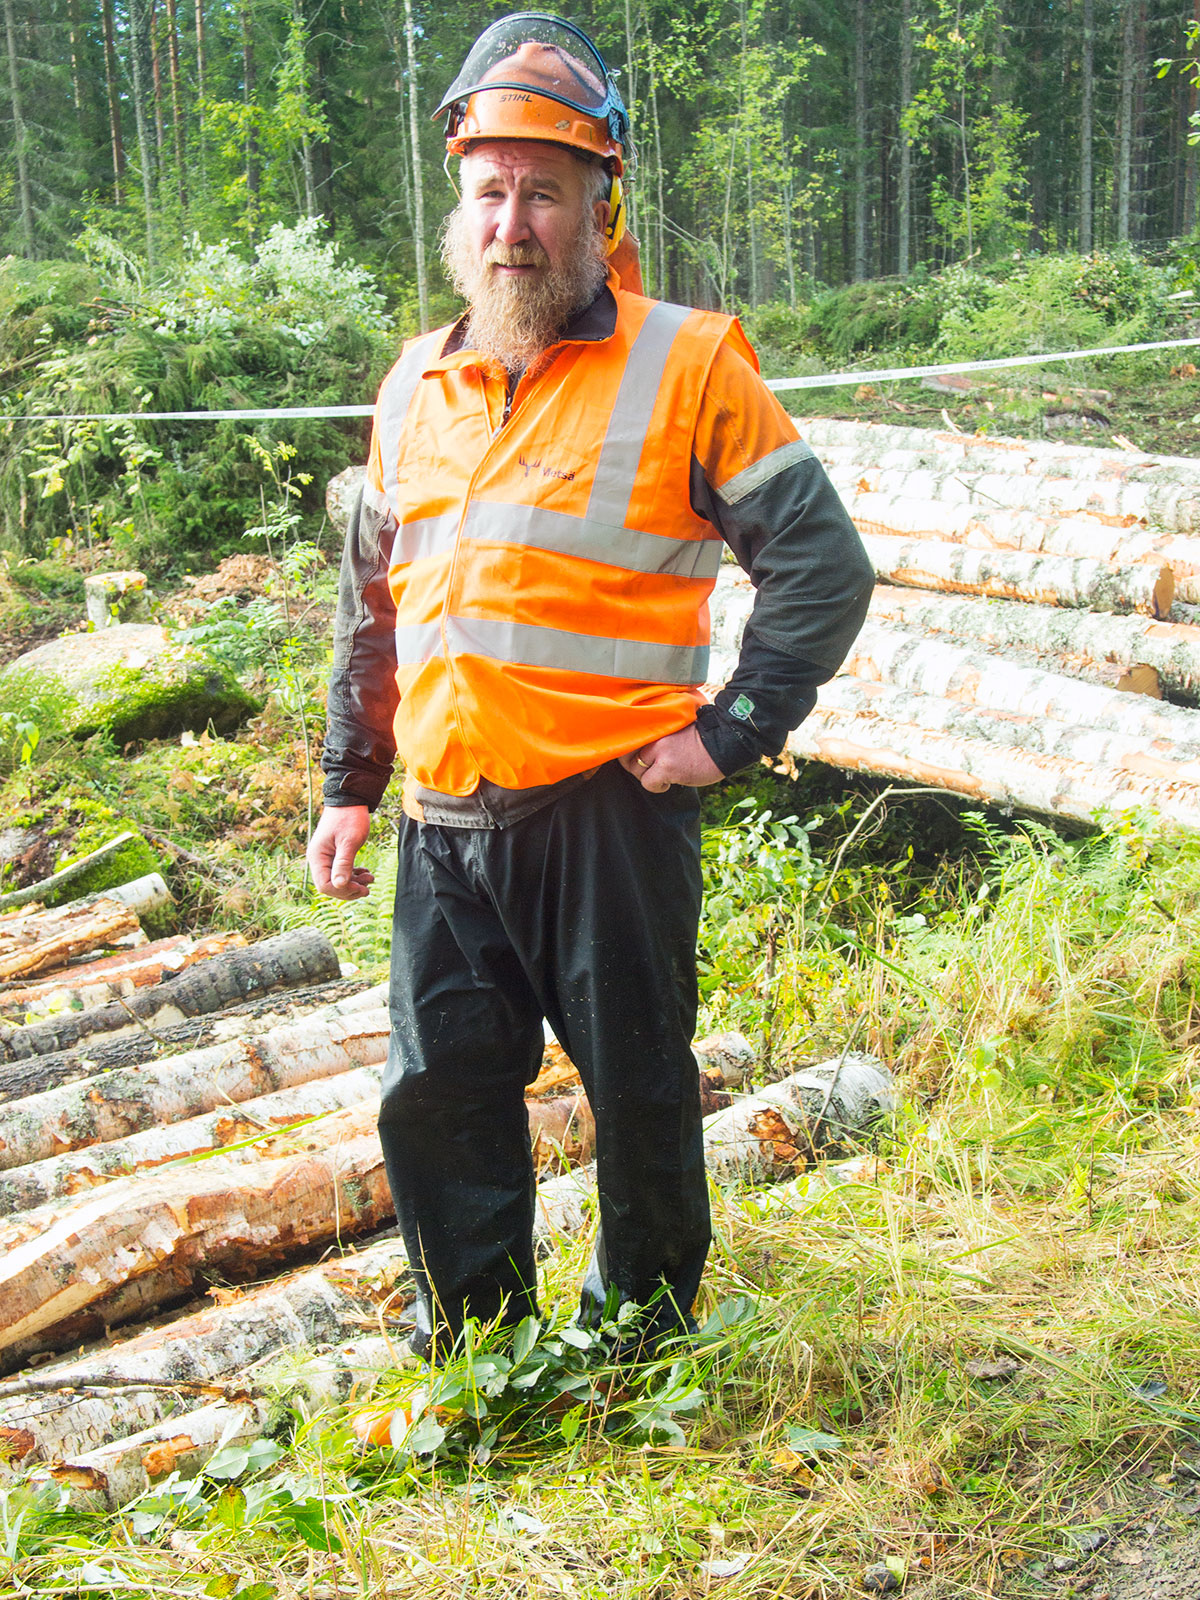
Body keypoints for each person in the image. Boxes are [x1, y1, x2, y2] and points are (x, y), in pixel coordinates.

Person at [307, 12, 874, 1362]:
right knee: (440, 1101)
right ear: (461, 203)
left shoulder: (689, 364)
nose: (515, 221)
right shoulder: (412, 387)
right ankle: (487, 1353)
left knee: (638, 1092)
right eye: (492, 190)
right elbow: (371, 604)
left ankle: (648, 1342)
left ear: (597, 206)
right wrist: (349, 782)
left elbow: (823, 566)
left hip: (608, 815)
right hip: (444, 822)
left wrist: (732, 735)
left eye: (545, 192)